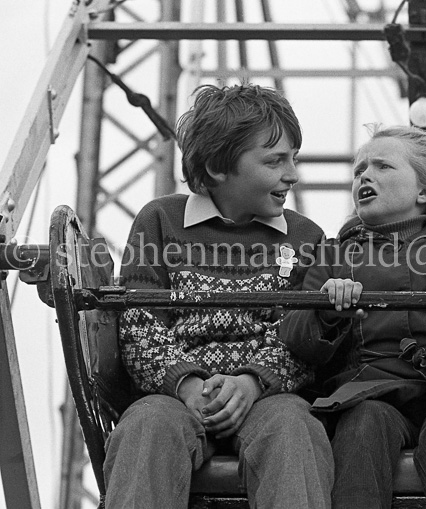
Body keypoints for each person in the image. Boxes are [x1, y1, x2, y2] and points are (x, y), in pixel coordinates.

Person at [103, 83, 333, 508]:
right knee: (147, 424)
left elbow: (303, 335)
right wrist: (187, 384)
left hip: (267, 398)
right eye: (275, 160)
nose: (292, 174)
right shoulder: (160, 221)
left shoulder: (306, 237)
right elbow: (139, 323)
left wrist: (252, 382)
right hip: (176, 398)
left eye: (294, 158)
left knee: (294, 427)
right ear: (217, 167)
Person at [277, 125, 426, 509]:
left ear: (424, 191)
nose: (365, 175)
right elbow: (297, 338)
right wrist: (326, 311)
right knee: (364, 424)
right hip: (367, 389)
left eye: (383, 166)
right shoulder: (333, 254)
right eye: (359, 169)